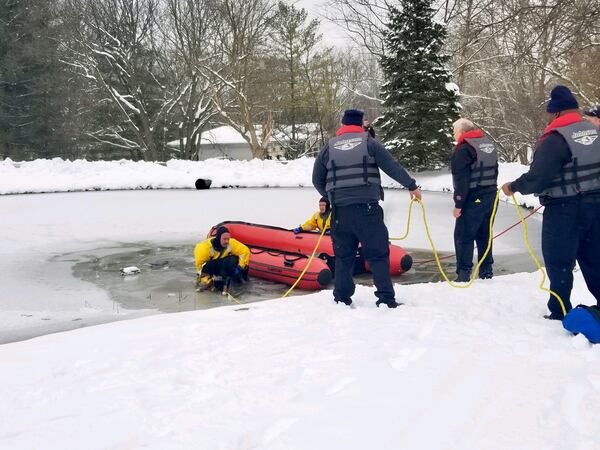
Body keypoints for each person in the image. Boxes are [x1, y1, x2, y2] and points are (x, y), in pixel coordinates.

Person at [502, 85, 600, 320]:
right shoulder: (595, 131)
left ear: (556, 113)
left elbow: (537, 178)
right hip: (595, 206)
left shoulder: (556, 138)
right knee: (595, 258)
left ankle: (559, 310)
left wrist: (513, 187)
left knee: (559, 260)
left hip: (564, 209)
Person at [312, 109, 422, 308]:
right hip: (368, 210)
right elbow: (392, 166)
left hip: (340, 212)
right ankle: (385, 299)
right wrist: (411, 185)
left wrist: (331, 197)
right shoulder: (370, 143)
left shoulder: (329, 147)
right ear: (360, 125)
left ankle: (342, 299)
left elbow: (316, 179)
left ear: (343, 125)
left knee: (344, 257)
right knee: (378, 255)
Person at [451, 118, 498, 282]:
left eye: (455, 131)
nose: (454, 134)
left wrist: (458, 204)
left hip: (474, 197)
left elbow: (461, 180)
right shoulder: (488, 144)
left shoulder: (463, 148)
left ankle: (463, 274)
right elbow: (495, 170)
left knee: (463, 235)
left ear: (463, 132)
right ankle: (486, 271)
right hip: (492, 194)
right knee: (485, 234)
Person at [194, 226, 250, 292]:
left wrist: (240, 267)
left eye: (228, 239)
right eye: (224, 239)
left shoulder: (231, 243)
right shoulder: (203, 248)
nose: (227, 241)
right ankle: (216, 282)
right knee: (209, 265)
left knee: (234, 259)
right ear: (218, 238)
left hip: (222, 267)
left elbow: (245, 251)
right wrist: (208, 282)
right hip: (210, 268)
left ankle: (236, 281)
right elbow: (200, 268)